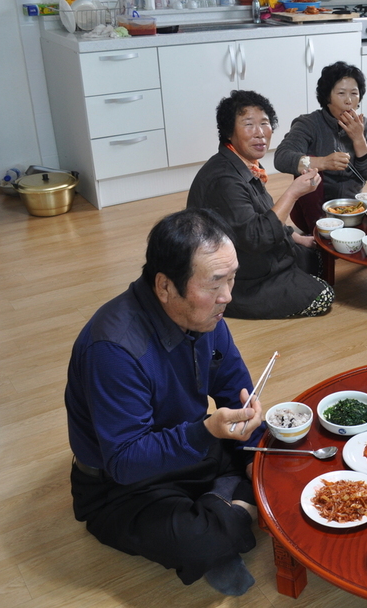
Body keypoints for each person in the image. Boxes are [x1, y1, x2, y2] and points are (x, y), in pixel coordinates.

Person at [65, 209, 266, 596]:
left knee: (277, 454)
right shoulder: (114, 348)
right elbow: (124, 461)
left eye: (232, 278)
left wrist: (249, 426)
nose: (228, 296)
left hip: (188, 446)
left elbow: (234, 386)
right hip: (120, 483)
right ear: (164, 286)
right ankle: (230, 506)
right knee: (200, 541)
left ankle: (228, 503)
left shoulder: (207, 316)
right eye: (215, 284)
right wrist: (208, 432)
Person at [188, 90, 334, 319]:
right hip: (241, 274)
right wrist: (293, 193)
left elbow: (261, 214)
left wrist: (297, 238)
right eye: (248, 124)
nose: (260, 133)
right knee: (324, 295)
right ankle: (229, 302)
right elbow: (256, 237)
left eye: (264, 123)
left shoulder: (243, 164)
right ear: (229, 131)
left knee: (320, 259)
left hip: (255, 252)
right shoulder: (224, 180)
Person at [274, 61, 367, 233]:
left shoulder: (364, 126)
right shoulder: (308, 123)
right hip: (313, 211)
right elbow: (281, 158)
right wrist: (322, 162)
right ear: (327, 97)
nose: (348, 100)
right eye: (341, 93)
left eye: (354, 93)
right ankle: (316, 234)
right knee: (309, 165)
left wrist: (359, 139)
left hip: (351, 210)